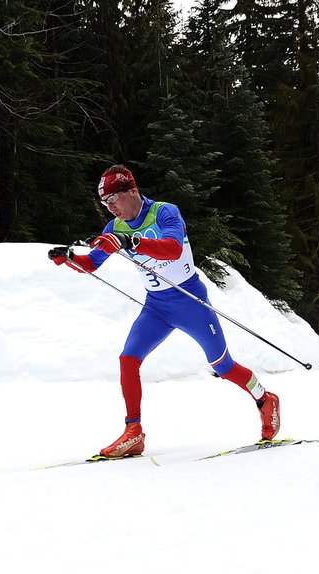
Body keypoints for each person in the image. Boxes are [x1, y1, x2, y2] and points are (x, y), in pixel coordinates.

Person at [47, 164, 280, 458]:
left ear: (131, 191)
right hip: (156, 307)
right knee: (128, 359)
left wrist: (132, 242)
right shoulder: (114, 228)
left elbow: (172, 249)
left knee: (222, 366)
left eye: (113, 200)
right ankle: (134, 433)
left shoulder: (165, 212)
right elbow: (92, 264)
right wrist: (68, 258)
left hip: (190, 300)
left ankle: (265, 398)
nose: (111, 209)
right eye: (105, 204)